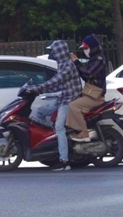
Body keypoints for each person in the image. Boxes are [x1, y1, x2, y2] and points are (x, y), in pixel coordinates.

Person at [28, 40, 83, 171]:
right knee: (40, 112)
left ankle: (64, 161)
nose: (52, 53)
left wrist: (39, 87)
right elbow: (58, 85)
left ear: (59, 51)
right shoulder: (62, 64)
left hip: (70, 99)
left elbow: (56, 80)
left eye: (53, 50)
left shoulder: (68, 65)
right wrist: (40, 89)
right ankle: (54, 142)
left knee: (59, 127)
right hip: (63, 97)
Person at [66, 35, 107, 142]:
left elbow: (88, 74)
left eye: (86, 48)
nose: (85, 51)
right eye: (83, 49)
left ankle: (84, 132)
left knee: (73, 106)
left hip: (96, 97)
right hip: (90, 94)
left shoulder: (99, 60)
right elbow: (84, 76)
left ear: (93, 47)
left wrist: (77, 62)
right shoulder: (92, 60)